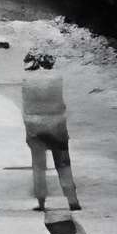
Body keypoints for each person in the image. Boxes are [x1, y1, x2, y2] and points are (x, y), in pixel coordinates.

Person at [19, 51, 75, 211]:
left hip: (35, 128)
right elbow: (62, 103)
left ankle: (41, 202)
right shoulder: (57, 79)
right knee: (63, 164)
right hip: (57, 127)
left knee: (38, 167)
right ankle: (72, 200)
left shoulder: (26, 81)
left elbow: (26, 105)